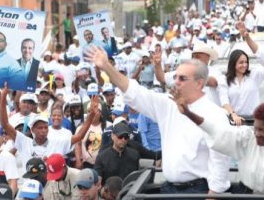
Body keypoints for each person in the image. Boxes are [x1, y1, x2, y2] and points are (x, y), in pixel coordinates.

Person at [85, 46, 232, 195]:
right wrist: (106, 66)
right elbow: (135, 92)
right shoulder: (168, 105)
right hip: (168, 189)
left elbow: (220, 165)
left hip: (198, 191)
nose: (176, 82)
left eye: (182, 78)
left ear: (199, 83)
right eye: (175, 77)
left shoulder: (215, 116)